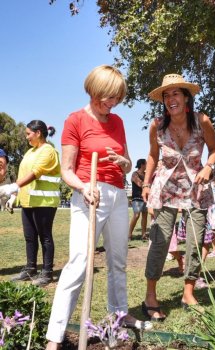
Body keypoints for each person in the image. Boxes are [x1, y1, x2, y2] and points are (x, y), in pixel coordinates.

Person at [45, 65, 151, 350]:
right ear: (94, 90)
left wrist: (123, 162)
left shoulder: (117, 122)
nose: (113, 103)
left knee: (118, 260)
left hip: (117, 194)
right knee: (79, 264)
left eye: (117, 98)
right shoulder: (75, 120)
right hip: (89, 194)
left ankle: (119, 313)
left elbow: (128, 164)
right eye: (109, 97)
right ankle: (55, 337)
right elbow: (66, 170)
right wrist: (82, 187)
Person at [141, 73, 215, 320]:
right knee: (161, 240)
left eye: (176, 93)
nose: (170, 99)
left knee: (196, 240)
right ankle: (150, 296)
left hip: (196, 187)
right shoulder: (157, 125)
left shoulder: (202, 121)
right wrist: (146, 183)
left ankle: (188, 292)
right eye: (166, 95)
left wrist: (208, 167)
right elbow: (153, 156)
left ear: (186, 97)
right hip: (166, 189)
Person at [0, 121, 60, 286]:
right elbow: (23, 175)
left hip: (44, 201)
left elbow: (36, 172)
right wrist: (15, 195)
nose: (26, 137)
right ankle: (30, 269)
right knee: (30, 237)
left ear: (38, 133)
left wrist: (12, 186)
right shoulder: (30, 152)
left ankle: (47, 273)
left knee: (45, 237)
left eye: (28, 134)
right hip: (28, 201)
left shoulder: (48, 151)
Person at [129, 158, 148, 240]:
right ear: (142, 165)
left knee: (145, 216)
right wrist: (147, 185)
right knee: (136, 215)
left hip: (145, 198)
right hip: (136, 198)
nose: (147, 165)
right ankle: (129, 234)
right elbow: (140, 184)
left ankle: (144, 235)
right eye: (146, 163)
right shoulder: (134, 174)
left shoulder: (146, 174)